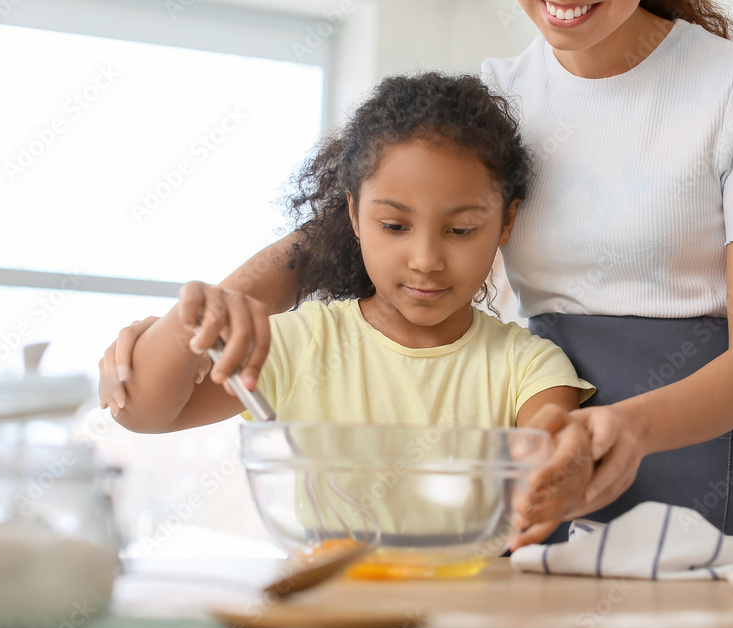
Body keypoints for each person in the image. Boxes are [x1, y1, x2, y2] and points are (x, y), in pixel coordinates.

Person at [102, 1, 733, 544]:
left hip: (695, 457)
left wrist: (625, 429)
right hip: (538, 465)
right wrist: (193, 318)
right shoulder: (501, 97)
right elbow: (338, 234)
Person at [110, 72, 595, 548]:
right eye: (393, 225)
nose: (426, 260)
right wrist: (190, 317)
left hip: (469, 613)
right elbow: (144, 413)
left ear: (506, 222)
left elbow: (551, 456)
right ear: (354, 216)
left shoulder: (529, 367)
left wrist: (556, 460)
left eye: (461, 229)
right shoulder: (297, 345)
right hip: (325, 613)